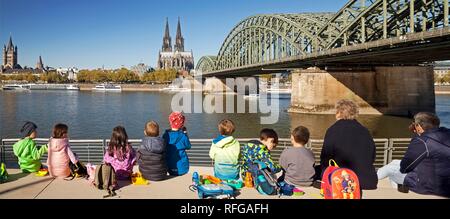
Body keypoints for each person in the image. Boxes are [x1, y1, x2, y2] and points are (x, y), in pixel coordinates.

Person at [378, 112, 450, 197]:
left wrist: (417, 137)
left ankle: (363, 182)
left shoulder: (422, 141)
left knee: (389, 170)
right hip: (445, 183)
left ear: (418, 126)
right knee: (394, 162)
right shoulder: (446, 135)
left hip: (429, 187)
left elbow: (405, 168)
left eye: (414, 125)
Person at [319, 99, 378, 190]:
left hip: (344, 181)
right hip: (367, 180)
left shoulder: (333, 130)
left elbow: (325, 157)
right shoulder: (365, 130)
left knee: (318, 169)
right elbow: (372, 155)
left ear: (339, 112)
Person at [163, 112, 192, 176]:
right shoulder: (183, 136)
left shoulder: (165, 136)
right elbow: (188, 146)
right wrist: (185, 134)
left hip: (169, 166)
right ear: (181, 124)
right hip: (182, 167)